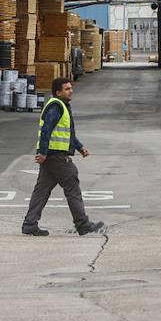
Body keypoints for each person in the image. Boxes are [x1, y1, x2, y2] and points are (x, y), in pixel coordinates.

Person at [22, 78, 104, 237]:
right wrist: (43, 153)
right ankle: (83, 224)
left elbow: (67, 134)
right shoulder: (56, 107)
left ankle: (29, 224)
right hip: (56, 157)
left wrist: (80, 147)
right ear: (58, 92)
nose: (71, 91)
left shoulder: (62, 107)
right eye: (67, 89)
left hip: (52, 157)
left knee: (42, 191)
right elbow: (46, 130)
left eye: (70, 88)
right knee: (72, 186)